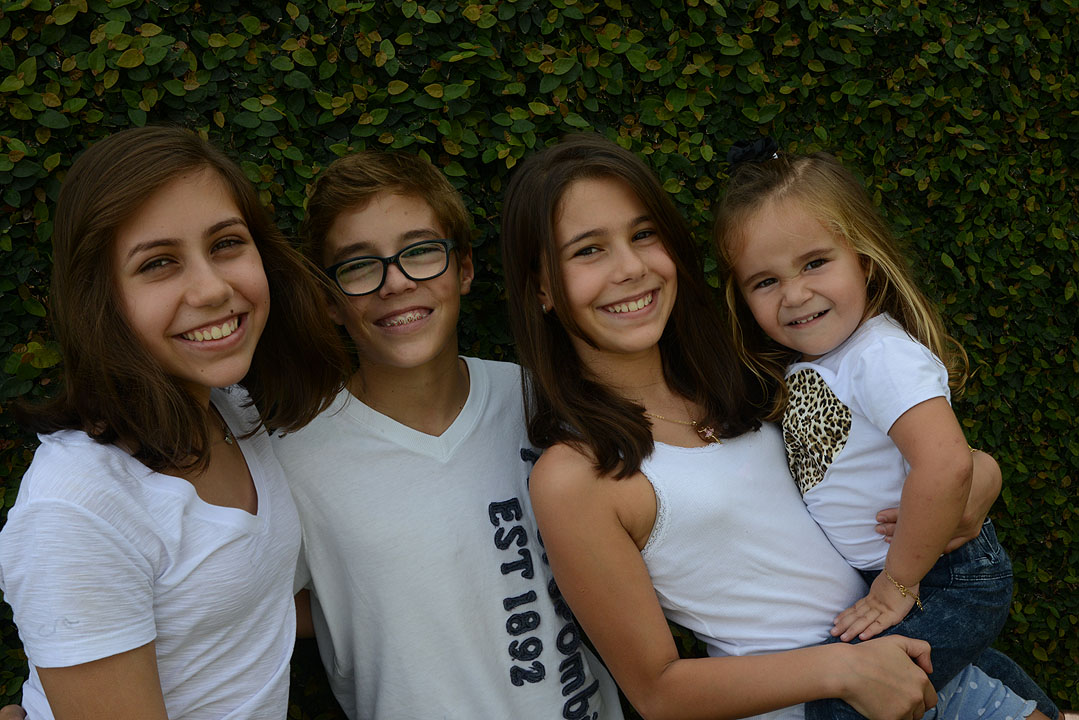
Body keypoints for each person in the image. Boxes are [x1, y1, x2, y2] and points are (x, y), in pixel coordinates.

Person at [498, 132, 1046, 720]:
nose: (631, 268)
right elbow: (657, 692)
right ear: (542, 287)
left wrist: (981, 475)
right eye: (588, 250)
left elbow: (888, 456)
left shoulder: (752, 376)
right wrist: (841, 669)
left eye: (643, 234)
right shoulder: (576, 474)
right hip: (830, 695)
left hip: (911, 642)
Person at [0, 126, 346, 719]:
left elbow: (239, 607)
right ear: (100, 298)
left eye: (227, 243)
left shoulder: (231, 408)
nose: (211, 289)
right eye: (158, 263)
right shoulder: (78, 507)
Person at [272, 149, 623, 719]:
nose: (395, 282)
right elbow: (243, 611)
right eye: (359, 266)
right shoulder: (295, 461)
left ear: (463, 269)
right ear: (330, 300)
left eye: (420, 252)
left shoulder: (540, 400)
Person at [712, 141, 1058, 720]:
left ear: (865, 261)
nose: (795, 294)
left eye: (815, 263)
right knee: (958, 674)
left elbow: (946, 464)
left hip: (944, 576)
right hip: (901, 574)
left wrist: (896, 584)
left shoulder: (880, 356)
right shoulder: (810, 364)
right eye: (765, 282)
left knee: (840, 704)